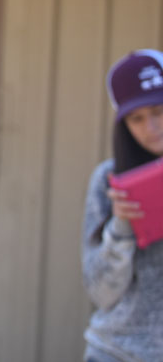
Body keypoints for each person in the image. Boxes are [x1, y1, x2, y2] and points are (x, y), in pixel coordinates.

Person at [82, 49, 163, 362]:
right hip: (116, 353)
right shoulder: (108, 181)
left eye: (158, 111)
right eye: (136, 118)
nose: (150, 127)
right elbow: (101, 292)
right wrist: (121, 227)